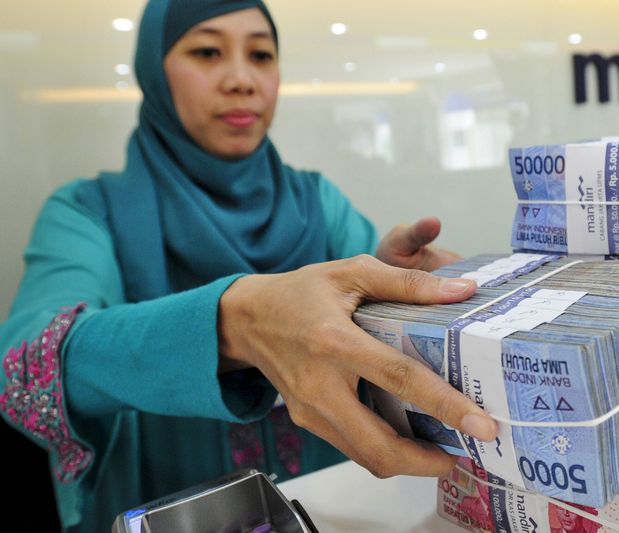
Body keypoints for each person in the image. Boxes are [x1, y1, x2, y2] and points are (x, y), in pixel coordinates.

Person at [0, 1, 497, 531]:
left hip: (338, 513)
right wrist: (233, 321)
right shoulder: (87, 212)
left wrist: (392, 291)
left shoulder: (315, 202)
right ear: (153, 71)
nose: (241, 79)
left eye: (261, 54)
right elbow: (26, 365)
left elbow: (360, 316)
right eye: (208, 51)